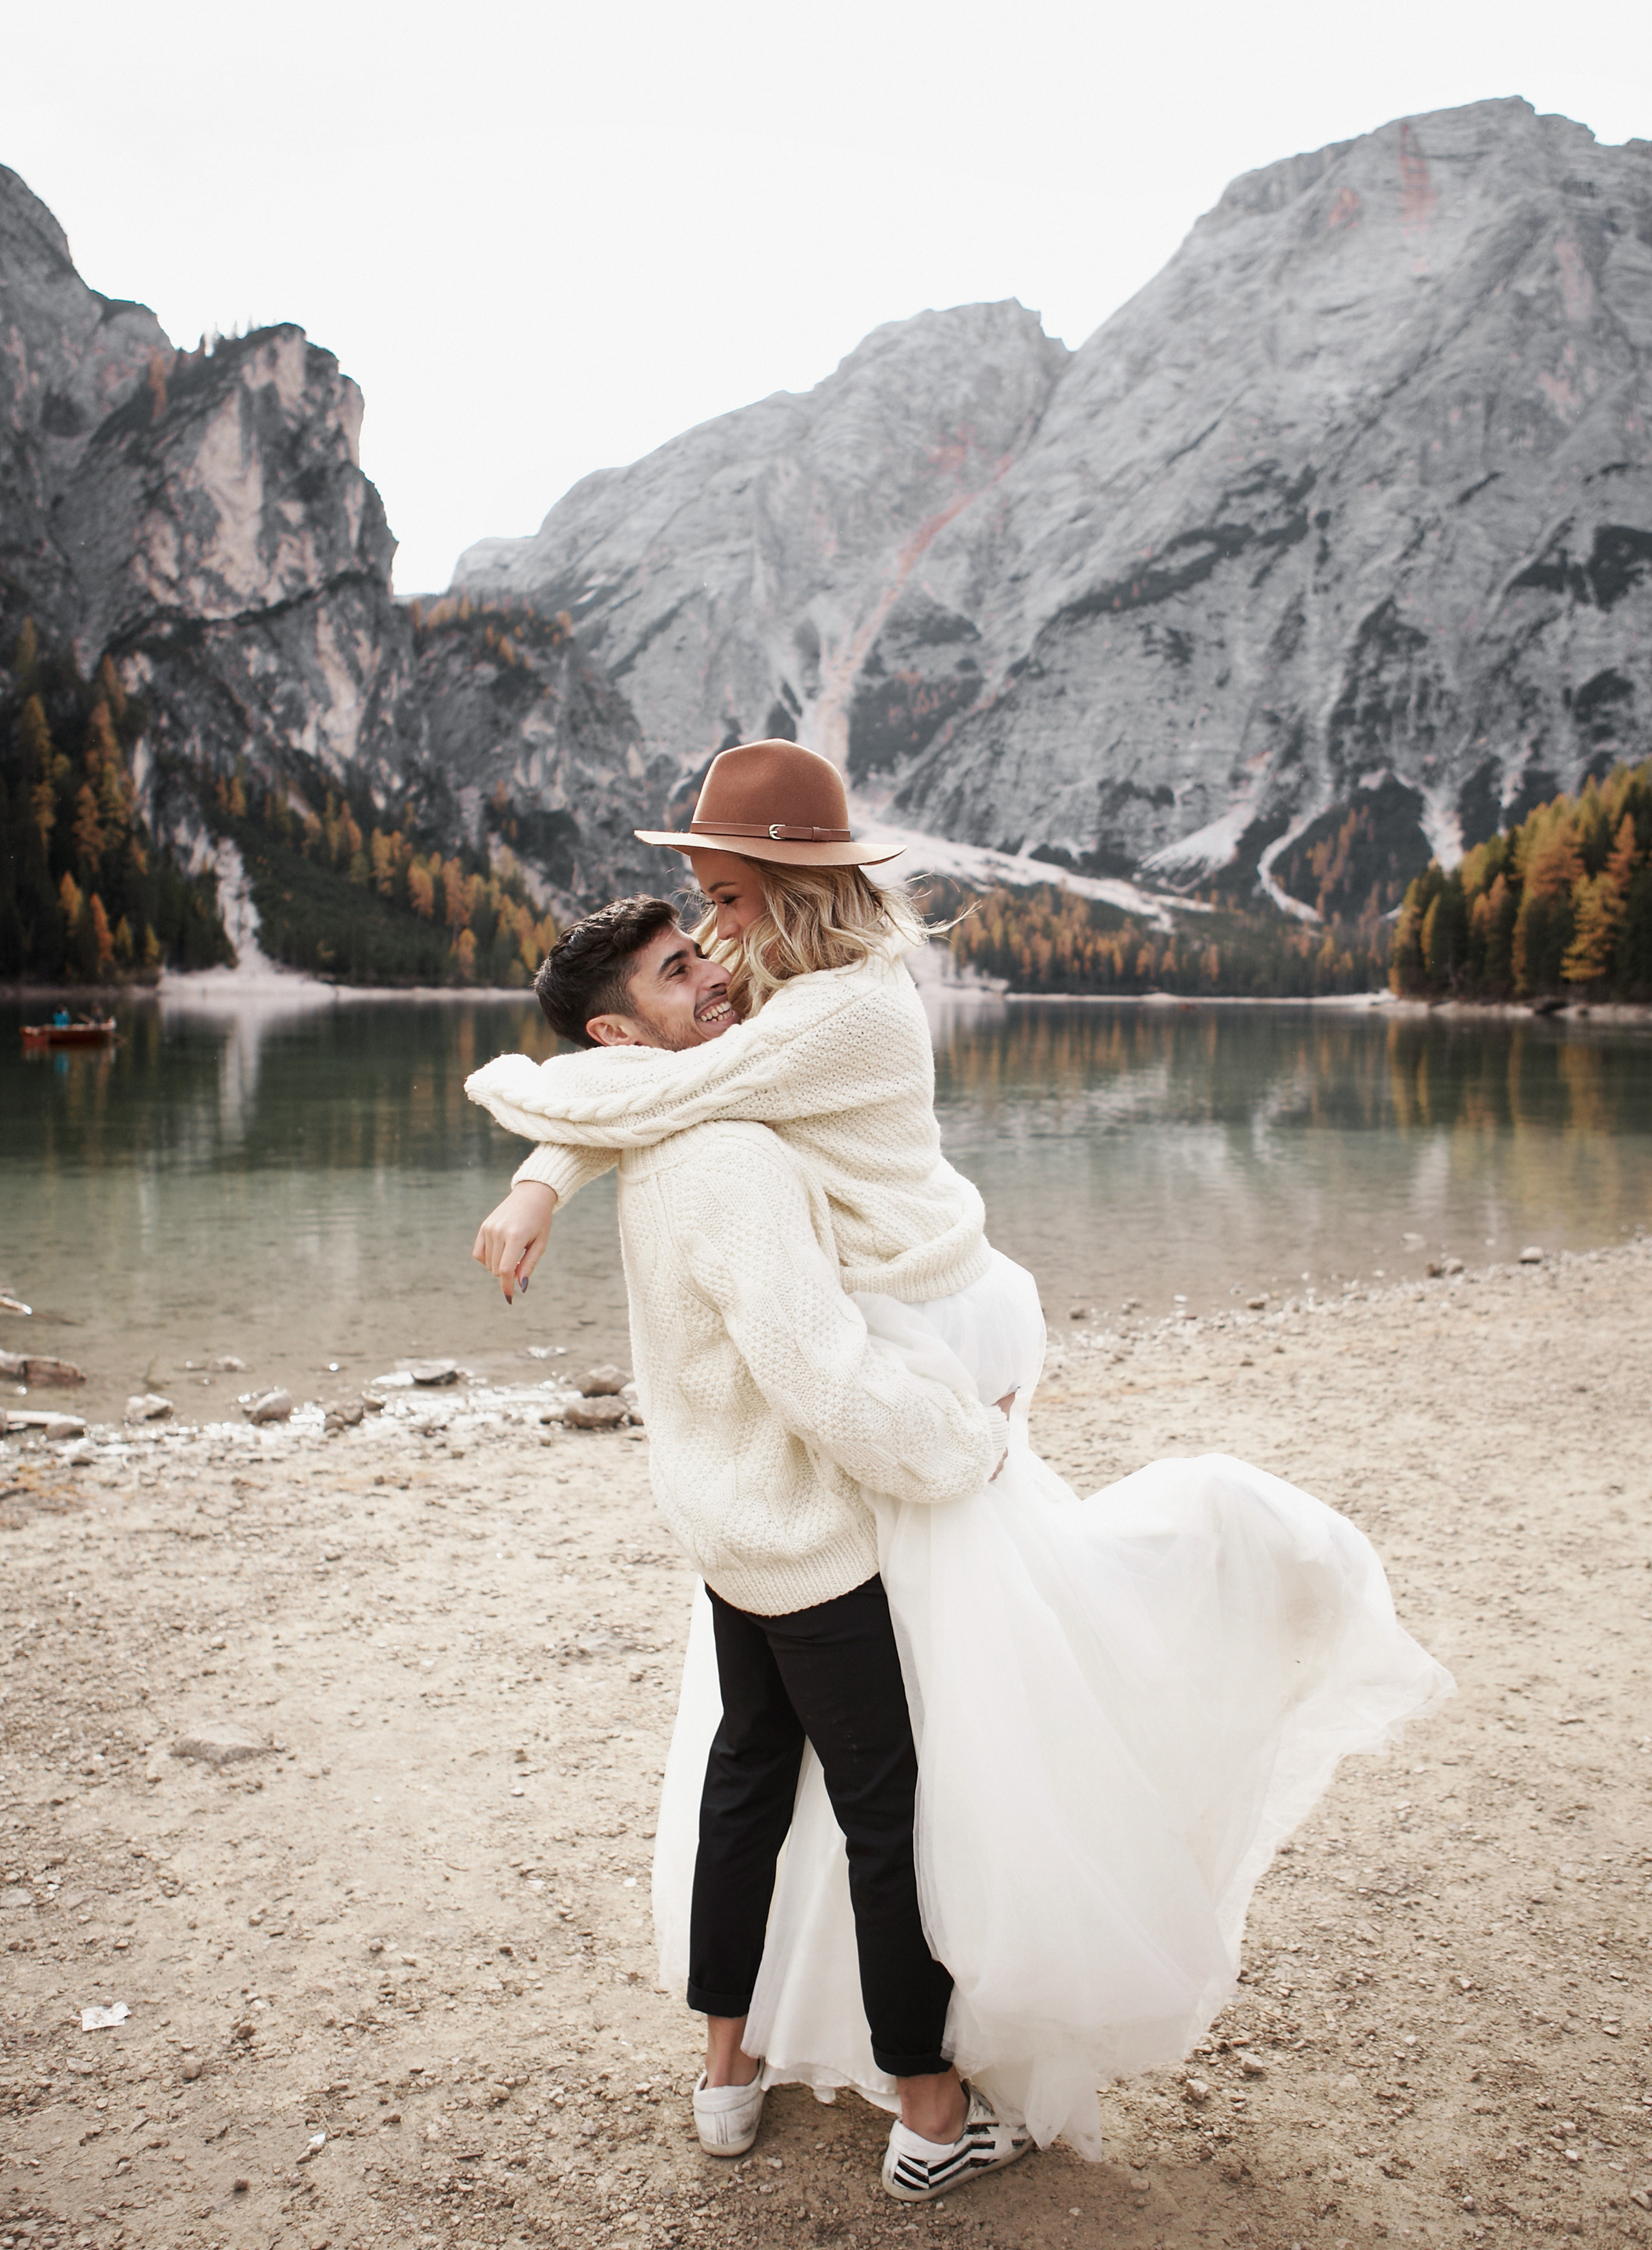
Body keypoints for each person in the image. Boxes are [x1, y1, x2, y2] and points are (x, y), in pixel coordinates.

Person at [468, 741, 1453, 2187]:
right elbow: (661, 1097)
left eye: (722, 906)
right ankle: (917, 2101)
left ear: (787, 890)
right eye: (694, 931)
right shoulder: (747, 1054)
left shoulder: (838, 1019)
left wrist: (526, 1146)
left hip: (919, 1349)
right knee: (869, 1775)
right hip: (873, 1395)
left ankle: (792, 2065)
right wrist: (547, 1166)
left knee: (884, 1723)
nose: (714, 939)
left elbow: (654, 1095)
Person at [476, 891, 1031, 2198]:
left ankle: (725, 2077)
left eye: (705, 947)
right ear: (622, 1030)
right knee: (881, 1817)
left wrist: (537, 1174)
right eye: (681, 973)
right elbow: (821, 1381)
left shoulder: (669, 1123)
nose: (714, 975)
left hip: (722, 1526)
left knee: (746, 1788)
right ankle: (932, 2118)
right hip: (806, 1546)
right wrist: (970, 1444)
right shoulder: (730, 1157)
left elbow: (607, 1115)